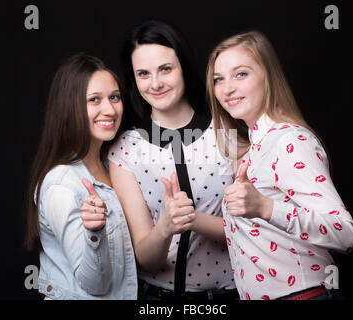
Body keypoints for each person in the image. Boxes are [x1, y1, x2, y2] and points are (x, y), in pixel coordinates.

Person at [206, 30, 353, 300]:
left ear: (268, 76)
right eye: (219, 79)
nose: (227, 88)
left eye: (241, 74)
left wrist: (266, 207)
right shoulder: (256, 147)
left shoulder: (290, 141)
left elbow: (345, 233)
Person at [105, 20, 238, 300]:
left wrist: (193, 219)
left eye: (165, 69)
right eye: (143, 73)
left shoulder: (229, 133)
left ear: (184, 68)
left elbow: (255, 232)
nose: (156, 83)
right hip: (160, 298)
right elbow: (146, 259)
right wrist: (166, 224)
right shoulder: (125, 150)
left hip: (235, 293)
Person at [24, 53, 137, 299]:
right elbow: (94, 284)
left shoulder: (113, 165)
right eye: (94, 100)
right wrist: (94, 233)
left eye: (114, 97)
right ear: (69, 107)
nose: (109, 109)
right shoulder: (62, 184)